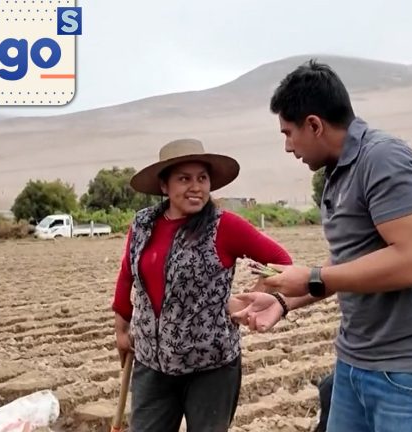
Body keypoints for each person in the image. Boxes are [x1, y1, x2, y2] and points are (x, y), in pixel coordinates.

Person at [231, 60, 412, 432]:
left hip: (410, 370)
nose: (287, 146)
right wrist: (283, 301)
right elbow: (349, 263)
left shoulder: (384, 159)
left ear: (314, 124)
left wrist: (312, 276)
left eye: (288, 133)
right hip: (355, 363)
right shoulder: (339, 173)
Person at [112, 138, 293, 432]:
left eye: (202, 178)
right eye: (184, 179)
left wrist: (252, 299)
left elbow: (281, 261)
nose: (196, 187)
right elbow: (126, 275)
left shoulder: (225, 226)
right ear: (164, 186)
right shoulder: (143, 225)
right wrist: (121, 329)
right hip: (152, 363)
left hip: (211, 366)